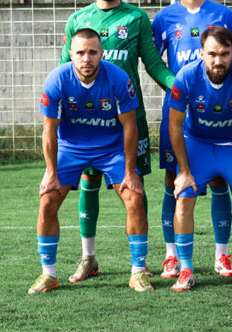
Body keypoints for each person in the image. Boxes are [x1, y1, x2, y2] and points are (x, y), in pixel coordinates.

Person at [59, 0, 175, 284]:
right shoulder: (78, 19)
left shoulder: (136, 18)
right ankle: (88, 258)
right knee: (89, 182)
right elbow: (64, 67)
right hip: (86, 120)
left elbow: (153, 63)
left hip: (127, 119)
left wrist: (178, 86)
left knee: (134, 186)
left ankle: (141, 264)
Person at [30, 28, 152, 294]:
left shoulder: (118, 78)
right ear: (71, 54)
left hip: (112, 149)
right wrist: (51, 172)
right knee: (47, 199)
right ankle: (48, 274)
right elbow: (49, 130)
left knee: (134, 197)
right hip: (71, 149)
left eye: (92, 52)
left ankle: (138, 272)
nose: (87, 58)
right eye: (81, 52)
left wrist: (130, 172)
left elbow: (130, 127)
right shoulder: (57, 79)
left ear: (102, 54)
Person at [152, 0, 232, 281]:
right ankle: (171, 255)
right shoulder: (164, 17)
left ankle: (222, 254)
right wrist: (174, 84)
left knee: (218, 180)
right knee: (173, 180)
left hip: (218, 108)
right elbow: (154, 61)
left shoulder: (223, 14)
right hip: (178, 109)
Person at [168, 27, 232, 291]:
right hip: (198, 144)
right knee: (183, 196)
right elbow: (175, 124)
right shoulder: (186, 76)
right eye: (212, 54)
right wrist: (184, 171)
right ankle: (186, 269)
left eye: (224, 54)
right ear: (201, 53)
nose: (218, 60)